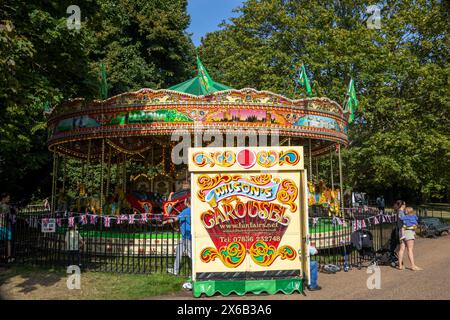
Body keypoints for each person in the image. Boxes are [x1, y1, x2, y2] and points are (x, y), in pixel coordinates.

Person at [164, 197, 191, 277]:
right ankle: (175, 270)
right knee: (179, 251)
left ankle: (195, 271)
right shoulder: (192, 210)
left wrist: (166, 221)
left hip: (187, 235)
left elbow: (175, 219)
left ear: (187, 202)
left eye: (185, 201)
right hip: (185, 235)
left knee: (191, 254)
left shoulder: (186, 210)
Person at [397, 207, 422, 271]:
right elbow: (416, 223)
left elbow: (401, 219)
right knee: (410, 250)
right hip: (409, 233)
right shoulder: (413, 216)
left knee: (401, 249)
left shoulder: (404, 217)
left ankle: (400, 265)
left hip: (403, 233)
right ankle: (413, 266)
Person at [0, 192, 13, 262]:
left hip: (8, 225)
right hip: (1, 225)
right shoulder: (0, 205)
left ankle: (8, 257)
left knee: (8, 241)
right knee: (4, 241)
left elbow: (10, 215)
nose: (9, 199)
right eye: (8, 198)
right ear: (3, 198)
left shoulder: (8, 206)